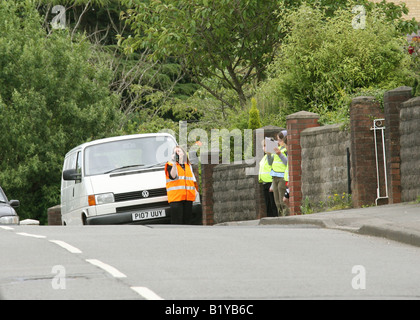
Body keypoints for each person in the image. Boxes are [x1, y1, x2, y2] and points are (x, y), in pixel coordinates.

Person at [165, 146, 197, 224]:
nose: (177, 153)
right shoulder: (170, 164)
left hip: (188, 198)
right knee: (177, 223)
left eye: (179, 151)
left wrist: (196, 192)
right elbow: (173, 175)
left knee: (188, 222)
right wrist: (174, 163)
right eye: (175, 152)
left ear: (183, 153)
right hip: (176, 199)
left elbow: (193, 180)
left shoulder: (188, 165)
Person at [268, 131, 288, 216]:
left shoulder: (286, 150)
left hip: (282, 177)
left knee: (282, 201)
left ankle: (286, 216)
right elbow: (270, 163)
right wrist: (269, 154)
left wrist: (279, 154)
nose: (278, 142)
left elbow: (288, 162)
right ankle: (281, 217)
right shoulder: (277, 149)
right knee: (277, 202)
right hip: (275, 177)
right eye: (277, 140)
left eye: (280, 140)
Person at [258, 138, 278, 217]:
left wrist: (273, 184)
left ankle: (275, 218)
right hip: (265, 183)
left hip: (271, 182)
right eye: (263, 146)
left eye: (265, 146)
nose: (264, 148)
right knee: (268, 204)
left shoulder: (273, 156)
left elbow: (273, 167)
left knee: (273, 203)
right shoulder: (264, 157)